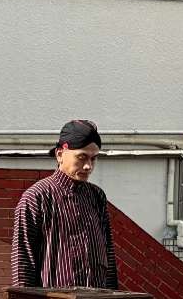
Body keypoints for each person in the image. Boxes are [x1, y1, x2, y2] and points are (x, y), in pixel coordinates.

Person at [11, 119, 118, 289]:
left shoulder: (96, 196)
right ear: (60, 154)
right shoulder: (36, 197)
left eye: (94, 159)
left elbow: (108, 255)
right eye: (82, 157)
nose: (88, 166)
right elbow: (23, 260)